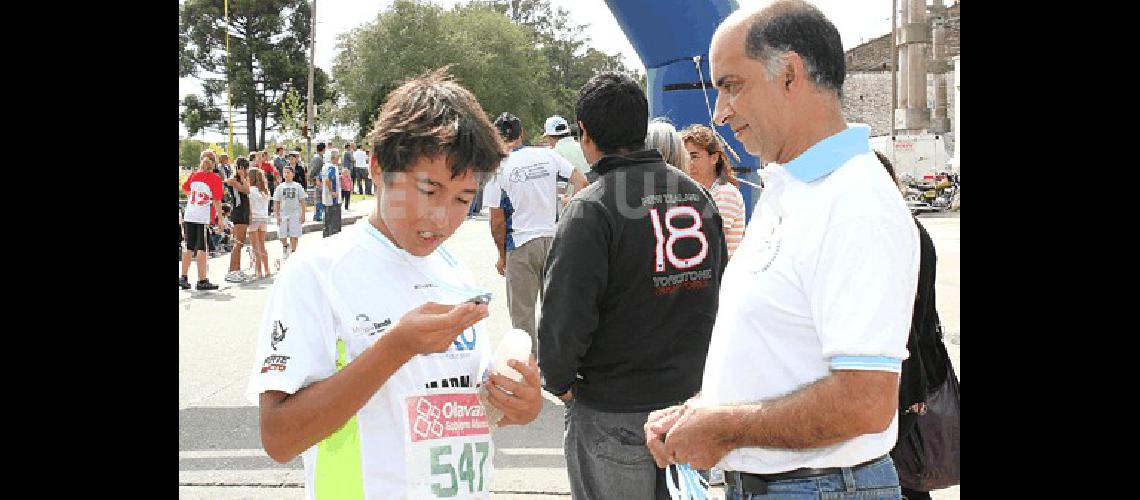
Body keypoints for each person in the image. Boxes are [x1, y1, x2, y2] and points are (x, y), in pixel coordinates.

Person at [643, 3, 920, 499]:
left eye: (731, 85)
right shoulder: (789, 188)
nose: (719, 112)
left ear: (790, 74)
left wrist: (725, 428)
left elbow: (866, 402)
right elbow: (781, 358)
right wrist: (703, 411)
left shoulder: (854, 202)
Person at [247, 67, 542, 499]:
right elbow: (279, 438)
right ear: (379, 166)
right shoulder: (317, 272)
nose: (443, 218)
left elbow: (466, 405)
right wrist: (396, 348)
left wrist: (518, 403)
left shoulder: (452, 271)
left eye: (463, 199)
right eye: (428, 190)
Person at [537, 72, 728, 500]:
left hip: (614, 412)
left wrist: (559, 379)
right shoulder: (697, 197)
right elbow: (721, 294)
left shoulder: (592, 208)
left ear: (584, 133)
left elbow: (564, 316)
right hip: (688, 409)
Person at [874, 151, 956, 500]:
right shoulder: (901, 226)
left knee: (908, 472)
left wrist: (913, 387)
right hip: (911, 371)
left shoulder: (903, 231)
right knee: (907, 475)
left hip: (910, 372)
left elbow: (914, 317)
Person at [482, 112, 587, 356]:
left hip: (520, 244)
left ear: (497, 137)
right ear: (522, 134)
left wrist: (501, 255)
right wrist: (570, 206)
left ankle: (530, 370)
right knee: (556, 309)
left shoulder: (497, 169)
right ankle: (560, 364)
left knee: (523, 317)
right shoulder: (547, 154)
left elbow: (497, 221)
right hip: (553, 240)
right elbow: (581, 181)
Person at [682, 124, 747, 259]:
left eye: (694, 156)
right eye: (685, 156)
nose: (688, 162)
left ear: (714, 158)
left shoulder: (725, 193)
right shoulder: (697, 194)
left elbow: (703, 239)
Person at [180, 156, 224, 291]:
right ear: (213, 163)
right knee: (201, 248)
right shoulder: (214, 178)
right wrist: (220, 220)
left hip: (190, 214)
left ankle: (184, 277)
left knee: (188, 247)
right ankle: (202, 280)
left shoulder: (194, 175)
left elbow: (185, 189)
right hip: (201, 216)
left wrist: (195, 196)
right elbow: (217, 200)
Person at [542, 115, 591, 188]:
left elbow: (560, 188)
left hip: (571, 198)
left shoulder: (553, 155)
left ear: (550, 137)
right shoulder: (583, 148)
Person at [224, 158, 253, 283]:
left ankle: (237, 268)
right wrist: (241, 177)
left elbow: (247, 192)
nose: (245, 171)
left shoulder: (244, 180)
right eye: (244, 169)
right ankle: (232, 270)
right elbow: (245, 190)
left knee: (240, 243)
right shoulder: (232, 180)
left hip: (244, 212)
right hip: (238, 212)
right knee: (237, 242)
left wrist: (250, 214)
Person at [273, 166, 306, 261]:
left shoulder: (297, 186)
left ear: (293, 174)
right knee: (282, 234)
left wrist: (303, 214)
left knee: (294, 234)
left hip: (295, 213)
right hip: (283, 214)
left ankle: (293, 253)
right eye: (285, 172)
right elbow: (276, 202)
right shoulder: (280, 187)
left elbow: (302, 201)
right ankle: (285, 246)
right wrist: (277, 216)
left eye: (288, 172)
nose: (286, 174)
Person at [247, 167, 272, 279]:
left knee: (255, 246)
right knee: (262, 245)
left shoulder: (250, 191)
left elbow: (250, 207)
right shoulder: (265, 191)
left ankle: (258, 271)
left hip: (254, 219)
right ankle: (267, 269)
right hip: (263, 218)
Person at [321, 147, 343, 237]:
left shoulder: (325, 166)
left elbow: (320, 180)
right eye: (338, 156)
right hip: (333, 199)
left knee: (327, 220)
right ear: (334, 157)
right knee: (334, 222)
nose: (339, 158)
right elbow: (327, 180)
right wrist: (332, 192)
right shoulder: (332, 167)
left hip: (327, 199)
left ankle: (326, 236)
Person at [310, 143, 327, 222]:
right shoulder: (318, 158)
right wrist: (313, 178)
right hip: (318, 180)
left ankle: (318, 215)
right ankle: (318, 215)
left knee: (319, 198)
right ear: (323, 149)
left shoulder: (317, 157)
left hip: (319, 180)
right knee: (319, 198)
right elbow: (314, 170)